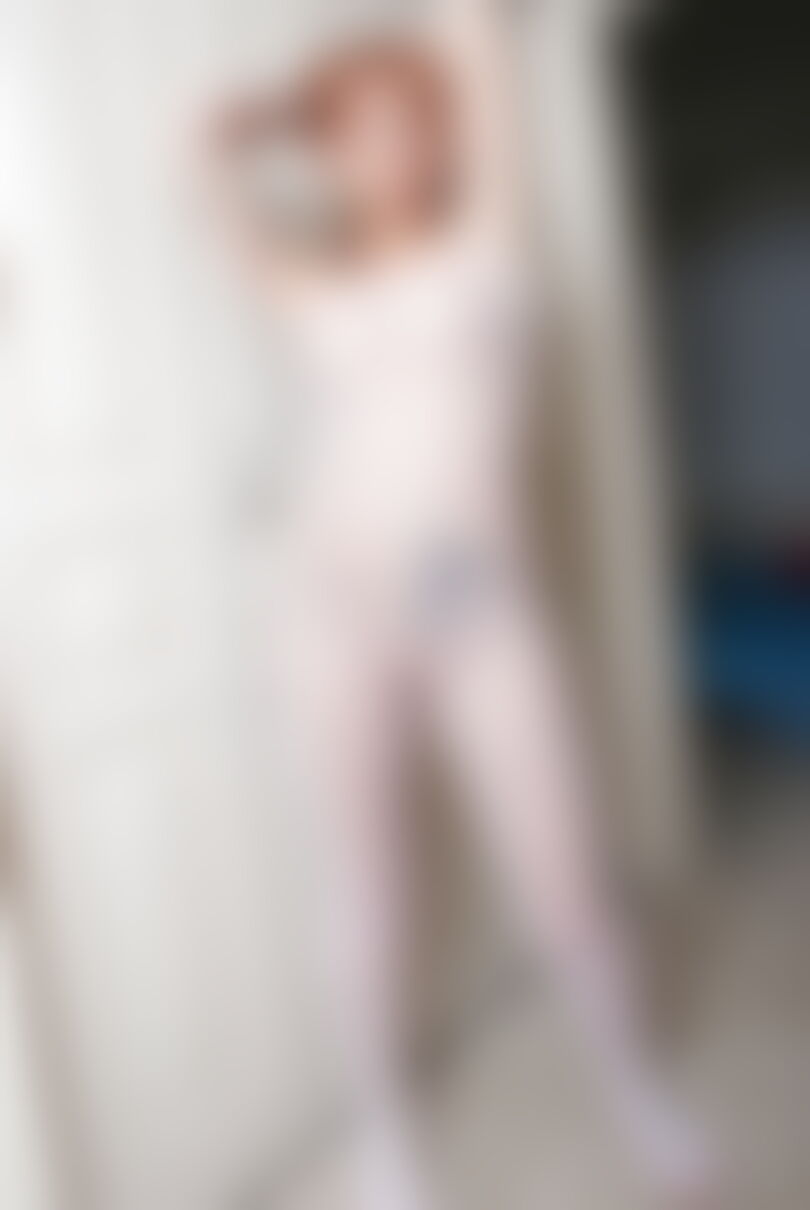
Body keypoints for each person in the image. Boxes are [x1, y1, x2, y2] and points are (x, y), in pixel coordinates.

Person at [196, 2, 713, 1205]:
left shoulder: (492, 241)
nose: (384, 145)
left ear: (444, 136)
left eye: (406, 121)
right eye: (355, 129)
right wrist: (259, 125)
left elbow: (474, 31)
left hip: (478, 609)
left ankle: (636, 1087)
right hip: (329, 610)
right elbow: (208, 187)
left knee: (566, 876)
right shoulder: (306, 275)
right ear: (327, 152)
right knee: (365, 879)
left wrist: (430, 63)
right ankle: (382, 1137)